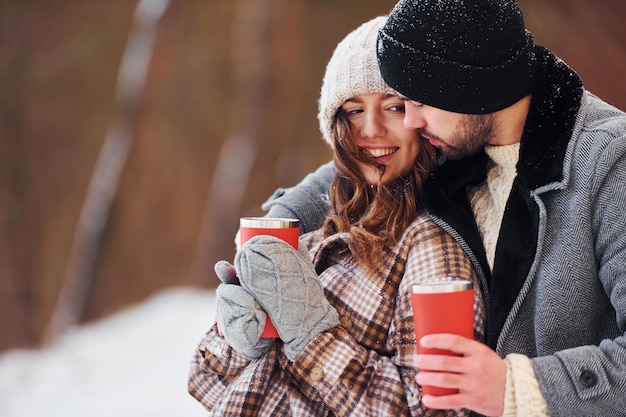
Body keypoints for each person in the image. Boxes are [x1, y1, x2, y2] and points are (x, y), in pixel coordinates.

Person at [259, 1, 626, 416]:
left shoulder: (610, 163)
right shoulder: (458, 134)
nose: (410, 122)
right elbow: (355, 166)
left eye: (415, 101)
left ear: (468, 87)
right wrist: (270, 234)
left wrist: (518, 387)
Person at [188, 16, 485, 416]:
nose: (371, 129)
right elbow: (204, 379)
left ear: (423, 120)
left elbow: (439, 410)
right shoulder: (319, 229)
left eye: (394, 107)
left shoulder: (432, 245)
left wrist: (312, 335)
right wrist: (241, 340)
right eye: (353, 110)